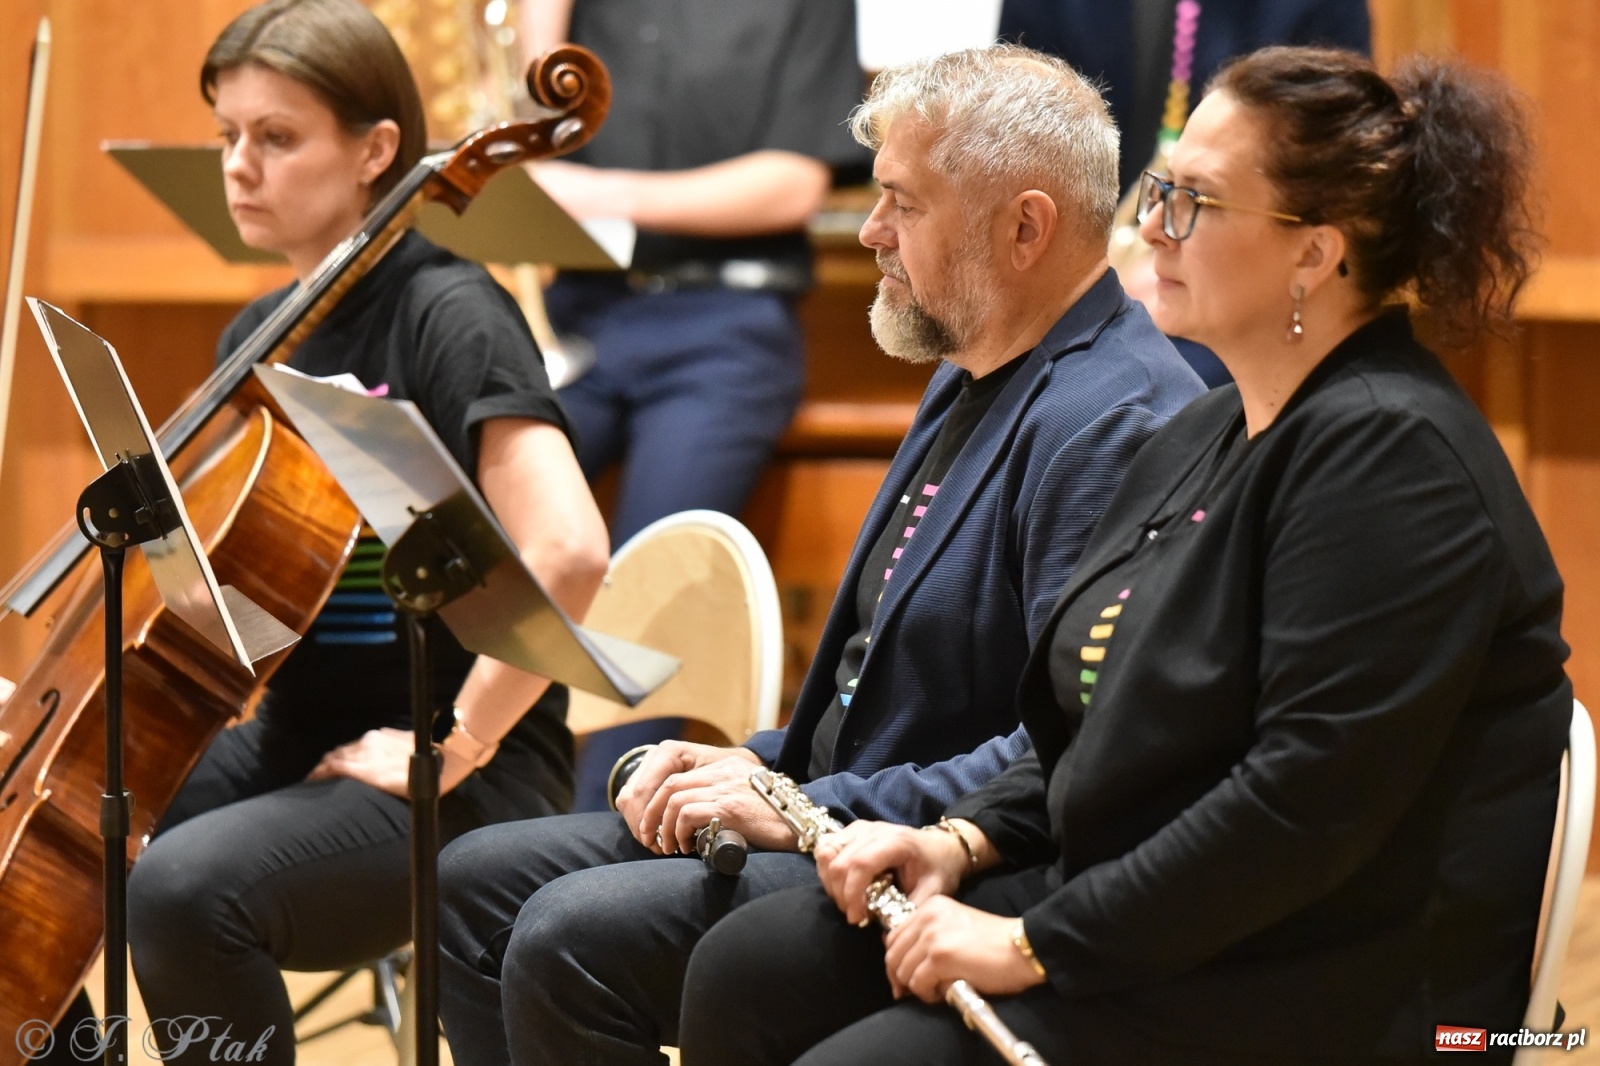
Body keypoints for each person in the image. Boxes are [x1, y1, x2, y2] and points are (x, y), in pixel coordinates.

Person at [681, 46, 1566, 1066]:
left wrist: (1031, 940)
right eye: (1160, 189)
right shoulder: (1213, 429)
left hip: (1337, 978)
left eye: (1194, 201)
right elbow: (1110, 720)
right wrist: (958, 839)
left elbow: (1297, 805)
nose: (1149, 226)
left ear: (1313, 255)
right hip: (1169, 909)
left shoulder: (1392, 456)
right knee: (752, 962)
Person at [436, 45, 1204, 1066]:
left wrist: (802, 804)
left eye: (901, 203)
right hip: (827, 811)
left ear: (1025, 226)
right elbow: (871, 679)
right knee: (468, 884)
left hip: (933, 859)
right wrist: (755, 760)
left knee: (568, 937)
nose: (872, 232)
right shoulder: (974, 359)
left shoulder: (1118, 417)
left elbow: (1064, 743)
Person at [62, 3, 609, 1063]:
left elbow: (570, 551)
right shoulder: (254, 337)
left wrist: (455, 742)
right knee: (56, 839)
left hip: (460, 762)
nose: (237, 167)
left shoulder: (451, 313)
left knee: (181, 886)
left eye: (275, 137)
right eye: (227, 136)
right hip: (306, 735)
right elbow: (253, 607)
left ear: (377, 151)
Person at [518, 0, 875, 811]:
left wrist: (593, 190)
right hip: (582, 315)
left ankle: (592, 848)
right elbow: (534, 129)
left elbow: (792, 185)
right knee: (479, 524)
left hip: (724, 325)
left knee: (652, 577)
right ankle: (456, 812)